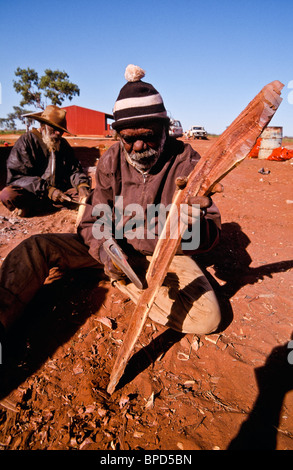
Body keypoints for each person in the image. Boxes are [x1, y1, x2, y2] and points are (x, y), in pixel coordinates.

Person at [0, 65, 222, 351]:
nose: (138, 145)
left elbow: (211, 232)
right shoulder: (111, 159)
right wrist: (109, 255)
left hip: (161, 256)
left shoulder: (187, 161)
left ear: (165, 129)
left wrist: (195, 226)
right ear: (119, 135)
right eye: (129, 138)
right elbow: (91, 222)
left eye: (149, 135)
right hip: (111, 249)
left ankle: (129, 281)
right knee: (37, 247)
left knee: (208, 318)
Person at [0, 105, 91, 217]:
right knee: (8, 194)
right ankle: (30, 206)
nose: (58, 133)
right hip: (34, 194)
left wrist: (81, 185)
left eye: (61, 130)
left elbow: (74, 170)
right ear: (43, 125)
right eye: (54, 128)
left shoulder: (63, 145)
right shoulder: (26, 141)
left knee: (91, 195)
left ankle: (38, 208)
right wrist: (47, 190)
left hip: (61, 194)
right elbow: (17, 177)